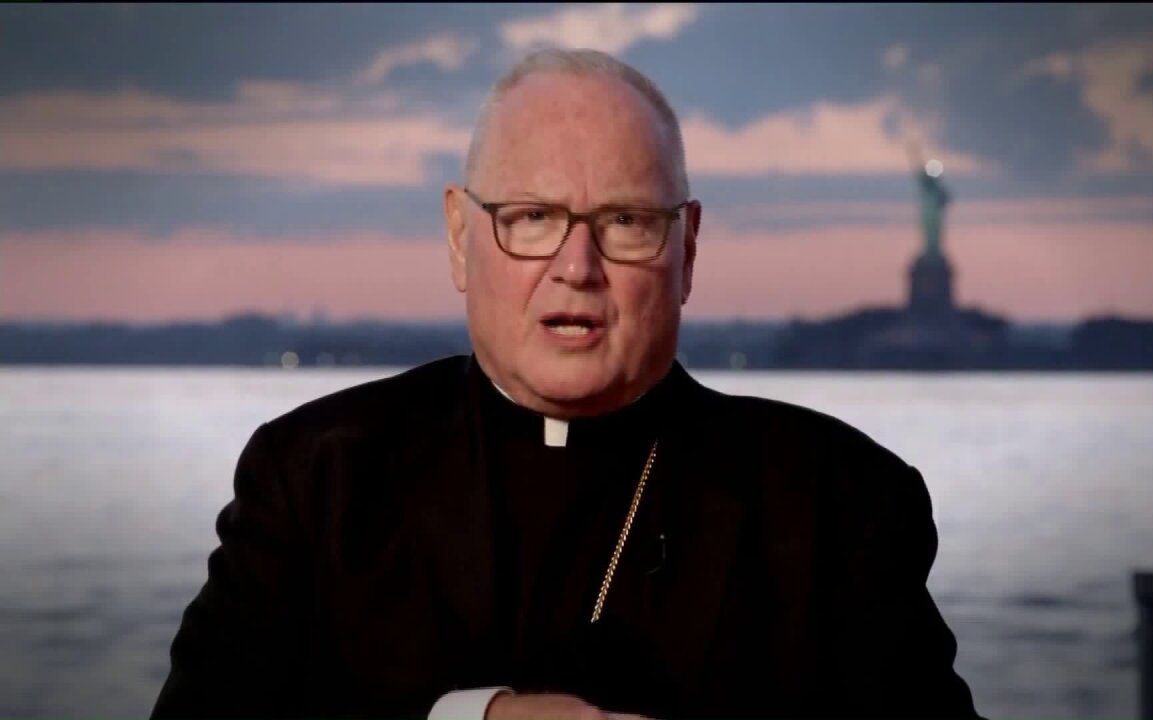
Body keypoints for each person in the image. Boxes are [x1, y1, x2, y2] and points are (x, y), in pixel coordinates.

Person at [151, 48, 982, 720]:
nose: (576, 269)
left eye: (625, 222)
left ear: (687, 250)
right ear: (457, 238)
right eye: (532, 219)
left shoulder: (841, 500)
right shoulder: (314, 478)